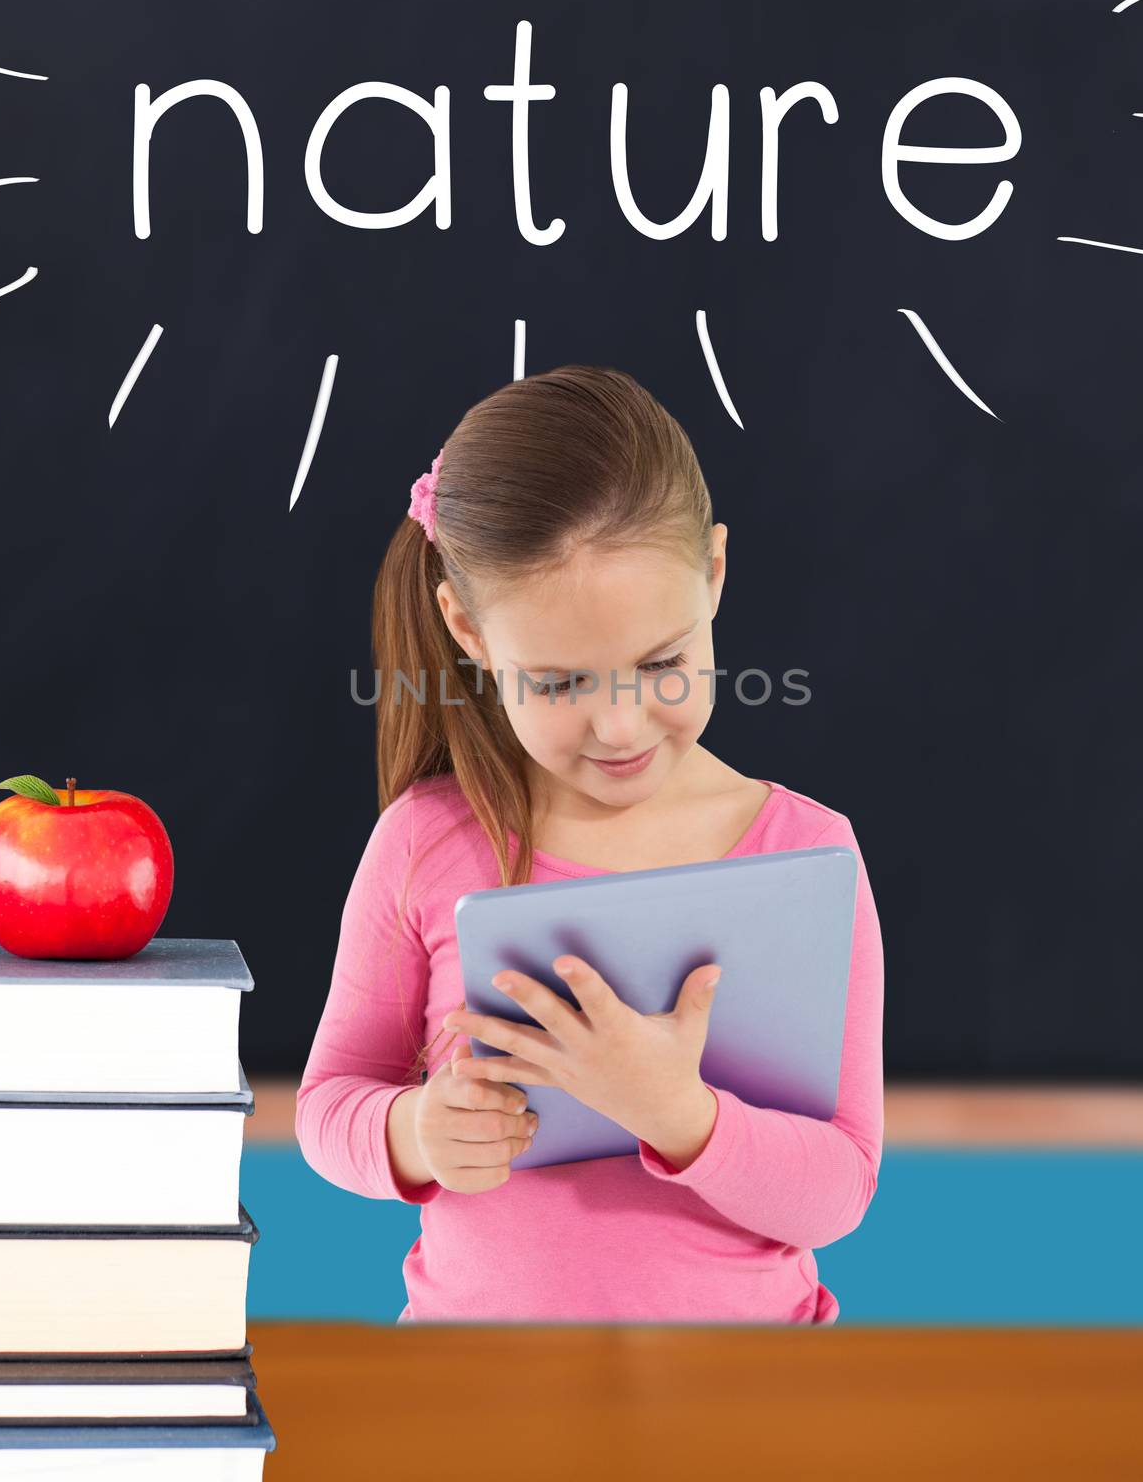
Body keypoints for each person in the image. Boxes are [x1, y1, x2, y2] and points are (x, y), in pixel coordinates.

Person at [295, 364, 884, 1323]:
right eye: (560, 683)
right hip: (474, 1407)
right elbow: (327, 1109)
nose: (620, 727)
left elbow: (840, 1190)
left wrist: (675, 1113)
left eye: (662, 664)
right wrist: (416, 1132)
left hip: (749, 1413)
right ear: (469, 632)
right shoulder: (424, 842)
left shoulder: (806, 853)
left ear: (717, 577)